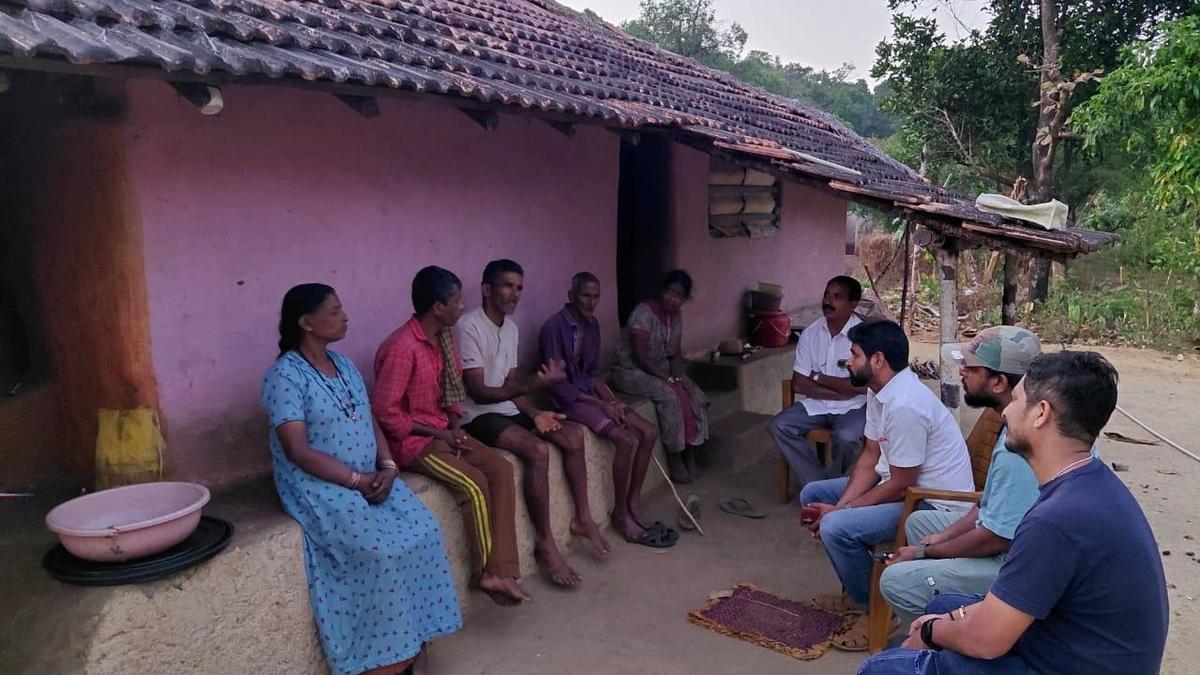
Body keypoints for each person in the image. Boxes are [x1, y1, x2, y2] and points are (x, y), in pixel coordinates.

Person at [860, 351, 1168, 675]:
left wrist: (929, 631)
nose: (1006, 410)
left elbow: (985, 641)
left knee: (882, 668)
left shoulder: (1057, 519)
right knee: (943, 607)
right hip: (1069, 642)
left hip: (1064, 664)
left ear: (1041, 414)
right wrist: (946, 620)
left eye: (1017, 399)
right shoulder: (1089, 481)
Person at [261, 284, 461, 675]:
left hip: (371, 475)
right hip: (319, 484)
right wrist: (356, 480)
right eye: (335, 311)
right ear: (307, 323)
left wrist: (388, 466)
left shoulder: (344, 364)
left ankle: (416, 644)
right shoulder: (284, 377)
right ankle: (386, 660)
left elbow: (369, 419)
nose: (345, 316)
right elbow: (298, 451)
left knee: (424, 531)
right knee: (378, 553)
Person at [801, 319, 974, 651]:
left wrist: (841, 513)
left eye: (855, 354)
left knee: (836, 527)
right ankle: (855, 592)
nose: (848, 362)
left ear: (877, 360)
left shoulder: (905, 405)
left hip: (933, 504)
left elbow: (901, 484)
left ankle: (877, 612)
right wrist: (841, 507)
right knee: (814, 494)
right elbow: (870, 456)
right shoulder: (879, 391)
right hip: (904, 487)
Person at [372, 266, 530, 606]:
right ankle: (486, 572)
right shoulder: (402, 348)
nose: (461, 307)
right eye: (456, 301)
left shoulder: (443, 340)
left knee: (501, 469)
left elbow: (452, 396)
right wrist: (439, 432)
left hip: (443, 430)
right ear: (438, 307)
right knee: (474, 484)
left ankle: (504, 568)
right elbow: (386, 414)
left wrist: (455, 428)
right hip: (414, 442)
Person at [880, 326, 1047, 625]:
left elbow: (996, 538)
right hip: (1004, 535)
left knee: (895, 581)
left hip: (1018, 563)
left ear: (998, 382)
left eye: (970, 367)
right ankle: (940, 618)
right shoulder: (1014, 418)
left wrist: (925, 553)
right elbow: (988, 503)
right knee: (919, 522)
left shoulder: (1020, 445)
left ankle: (942, 636)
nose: (961, 371)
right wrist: (943, 539)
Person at [456, 260, 607, 587]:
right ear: (487, 290)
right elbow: (480, 392)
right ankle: (546, 544)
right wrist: (534, 386)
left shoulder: (510, 329)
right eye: (508, 286)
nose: (515, 294)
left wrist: (535, 412)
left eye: (519, 288)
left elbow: (510, 386)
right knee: (538, 450)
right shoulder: (468, 326)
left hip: (505, 406)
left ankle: (583, 519)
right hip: (476, 415)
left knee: (571, 437)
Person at [539, 272, 667, 547]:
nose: (591, 302)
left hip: (590, 395)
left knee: (648, 431)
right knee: (625, 440)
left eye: (596, 297)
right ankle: (620, 512)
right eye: (586, 295)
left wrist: (613, 402)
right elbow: (557, 385)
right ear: (571, 295)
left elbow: (594, 374)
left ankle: (633, 502)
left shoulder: (592, 325)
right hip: (567, 400)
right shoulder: (554, 328)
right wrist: (601, 405)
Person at [770, 276, 868, 498]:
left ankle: (833, 486)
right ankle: (821, 487)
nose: (828, 301)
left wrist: (818, 377)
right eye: (826, 295)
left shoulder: (864, 336)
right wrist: (841, 389)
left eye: (837, 297)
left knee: (847, 437)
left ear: (853, 304)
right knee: (780, 425)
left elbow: (861, 387)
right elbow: (799, 383)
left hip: (854, 406)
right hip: (818, 404)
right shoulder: (810, 333)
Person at [611, 270, 709, 484]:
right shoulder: (643, 312)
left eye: (678, 295)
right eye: (669, 292)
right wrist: (668, 380)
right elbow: (640, 357)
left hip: (660, 367)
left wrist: (678, 377)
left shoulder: (676, 316)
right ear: (662, 290)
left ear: (685, 298)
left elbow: (675, 354)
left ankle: (691, 449)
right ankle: (675, 457)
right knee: (670, 396)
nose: (672, 298)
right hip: (630, 370)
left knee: (695, 394)